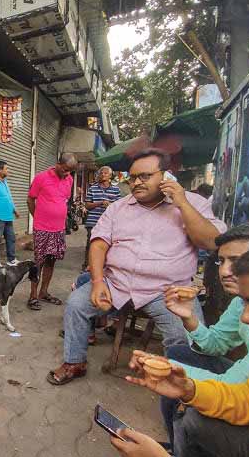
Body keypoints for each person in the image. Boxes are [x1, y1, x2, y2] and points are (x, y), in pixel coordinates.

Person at [111, 233, 249, 457]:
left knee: (188, 408)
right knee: (189, 398)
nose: (246, 316)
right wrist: (189, 388)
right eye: (222, 262)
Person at [46, 148, 226, 385]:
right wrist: (98, 282)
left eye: (145, 176)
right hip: (117, 283)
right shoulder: (118, 207)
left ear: (166, 176)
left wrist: (181, 203)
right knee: (77, 304)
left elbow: (212, 241)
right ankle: (75, 361)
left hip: (166, 291)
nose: (136, 183)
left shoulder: (192, 204)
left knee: (187, 337)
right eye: (132, 178)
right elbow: (98, 244)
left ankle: (183, 386)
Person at [158, 222, 249, 446]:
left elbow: (236, 387)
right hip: (245, 384)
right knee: (178, 355)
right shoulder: (242, 301)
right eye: (221, 261)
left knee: (187, 403)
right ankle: (177, 449)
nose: (224, 271)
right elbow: (217, 343)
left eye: (238, 261)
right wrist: (188, 317)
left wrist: (171, 374)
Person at [26, 152, 78, 311]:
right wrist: (38, 218)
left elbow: (64, 200)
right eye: (65, 169)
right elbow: (30, 199)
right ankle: (33, 296)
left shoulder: (69, 180)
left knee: (51, 261)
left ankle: (43, 292)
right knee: (38, 262)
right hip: (42, 228)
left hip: (59, 229)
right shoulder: (41, 178)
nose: (68, 173)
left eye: (70, 171)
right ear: (58, 164)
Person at [82, 165, 122, 270]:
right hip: (93, 222)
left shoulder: (116, 190)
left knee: (106, 245)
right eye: (101, 173)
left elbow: (119, 206)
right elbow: (87, 205)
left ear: (110, 176)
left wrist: (110, 205)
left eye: (106, 173)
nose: (103, 175)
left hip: (109, 223)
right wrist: (100, 203)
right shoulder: (93, 188)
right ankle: (87, 266)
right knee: (91, 244)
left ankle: (103, 266)